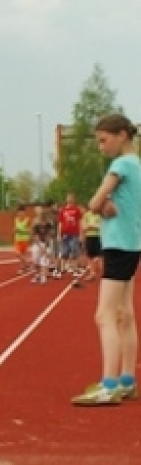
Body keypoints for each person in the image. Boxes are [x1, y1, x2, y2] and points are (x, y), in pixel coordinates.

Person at [71, 114, 141, 406]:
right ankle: (126, 380)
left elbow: (93, 203)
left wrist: (102, 205)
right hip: (132, 244)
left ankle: (108, 384)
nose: (101, 146)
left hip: (117, 245)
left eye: (104, 140)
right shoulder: (137, 164)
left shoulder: (121, 165)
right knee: (125, 314)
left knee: (105, 315)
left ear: (122, 134)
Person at [58, 193, 84, 280]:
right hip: (65, 234)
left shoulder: (77, 210)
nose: (69, 199)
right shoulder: (62, 210)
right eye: (68, 198)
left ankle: (75, 270)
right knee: (64, 252)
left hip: (74, 234)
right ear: (66, 199)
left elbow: (80, 222)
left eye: (71, 198)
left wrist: (81, 234)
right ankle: (61, 270)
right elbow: (60, 223)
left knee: (74, 252)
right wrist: (59, 234)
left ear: (74, 199)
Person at [30, 204, 53, 284]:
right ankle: (37, 275)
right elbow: (34, 235)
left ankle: (43, 277)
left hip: (45, 244)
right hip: (37, 244)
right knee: (35, 261)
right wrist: (40, 246)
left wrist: (45, 247)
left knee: (44, 260)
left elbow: (48, 236)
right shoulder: (35, 223)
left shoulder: (48, 224)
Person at [82, 206, 102, 282]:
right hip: (89, 236)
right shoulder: (87, 215)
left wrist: (91, 226)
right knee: (90, 256)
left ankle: (103, 274)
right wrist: (93, 226)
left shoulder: (100, 215)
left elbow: (101, 226)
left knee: (100, 256)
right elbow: (84, 227)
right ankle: (92, 273)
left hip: (99, 236)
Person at [13, 205, 33, 274]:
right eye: (19, 212)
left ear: (25, 213)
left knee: (23, 255)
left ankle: (23, 268)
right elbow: (15, 229)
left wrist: (21, 231)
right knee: (17, 254)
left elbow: (30, 231)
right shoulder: (16, 219)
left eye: (22, 212)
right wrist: (14, 230)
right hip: (17, 239)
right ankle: (28, 264)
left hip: (25, 239)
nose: (21, 214)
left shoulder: (27, 220)